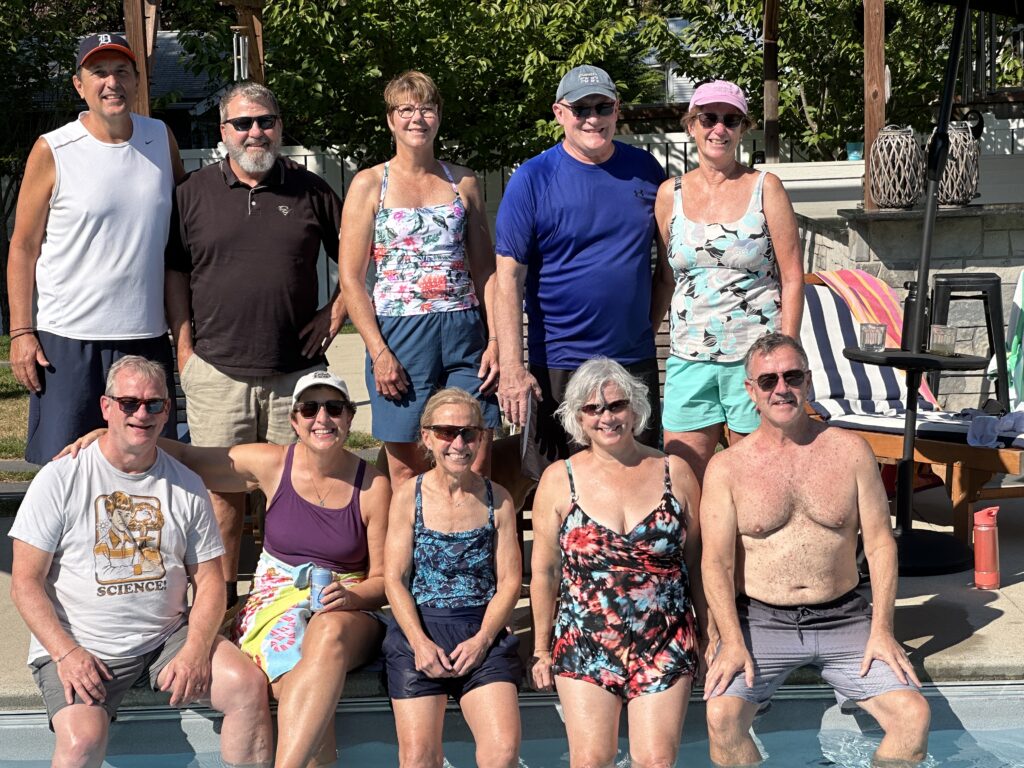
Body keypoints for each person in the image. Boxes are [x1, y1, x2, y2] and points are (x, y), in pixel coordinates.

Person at [59, 369, 391, 768]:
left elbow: (385, 581)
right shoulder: (273, 463)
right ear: (294, 420)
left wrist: (352, 596)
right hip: (275, 600)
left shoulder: (372, 486)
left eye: (334, 408)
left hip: (345, 606)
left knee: (328, 629)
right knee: (294, 684)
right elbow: (186, 456)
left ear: (350, 417)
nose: (322, 418)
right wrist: (108, 435)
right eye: (309, 408)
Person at [9, 356, 272, 768]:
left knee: (248, 688)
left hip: (165, 639)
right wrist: (66, 653)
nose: (141, 413)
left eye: (153, 404)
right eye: (128, 403)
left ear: (168, 410)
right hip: (81, 641)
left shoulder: (186, 485)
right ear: (106, 407)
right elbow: (25, 581)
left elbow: (210, 583)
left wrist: (196, 650)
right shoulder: (61, 477)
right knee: (81, 743)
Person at [701, 333, 930, 766]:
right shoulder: (727, 467)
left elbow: (881, 544)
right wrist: (729, 639)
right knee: (721, 717)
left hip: (845, 615)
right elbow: (715, 561)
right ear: (751, 391)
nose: (780, 388)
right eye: (767, 380)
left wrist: (882, 628)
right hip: (762, 618)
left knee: (913, 717)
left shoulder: (851, 452)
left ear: (807, 381)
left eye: (791, 376)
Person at [165, 80, 346, 607]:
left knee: (293, 496)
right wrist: (183, 347)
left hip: (295, 372)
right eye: (242, 123)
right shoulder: (192, 194)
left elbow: (363, 261)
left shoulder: (311, 191)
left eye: (265, 121)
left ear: (279, 126)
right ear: (223, 132)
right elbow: (174, 274)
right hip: (217, 370)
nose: (255, 132)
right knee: (221, 497)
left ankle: (279, 606)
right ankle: (218, 606)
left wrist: (335, 314)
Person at [7, 32, 185, 465]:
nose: (112, 82)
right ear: (78, 84)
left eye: (122, 71)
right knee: (65, 466)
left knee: (146, 464)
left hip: (145, 335)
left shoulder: (160, 138)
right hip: (68, 338)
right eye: (99, 72)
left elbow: (181, 236)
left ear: (138, 81)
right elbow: (24, 247)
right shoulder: (54, 149)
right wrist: (21, 332)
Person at [494, 65, 667, 479]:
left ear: (616, 109)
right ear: (559, 113)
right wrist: (513, 368)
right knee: (560, 482)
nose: (593, 117)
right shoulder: (532, 178)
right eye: (581, 108)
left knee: (639, 476)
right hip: (559, 360)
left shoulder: (646, 171)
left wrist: (645, 328)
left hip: (631, 361)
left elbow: (668, 269)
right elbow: (506, 282)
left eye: (602, 106)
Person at [530, 358, 705, 768]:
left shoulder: (674, 472)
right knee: (592, 759)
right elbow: (544, 571)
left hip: (665, 637)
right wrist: (540, 648)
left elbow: (699, 564)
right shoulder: (559, 479)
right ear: (577, 417)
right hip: (585, 639)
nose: (606, 417)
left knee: (656, 760)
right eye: (593, 409)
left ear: (635, 408)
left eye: (616, 405)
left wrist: (713, 636)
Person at [339, 70, 500, 489]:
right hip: (400, 334)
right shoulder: (369, 184)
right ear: (391, 119)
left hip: (464, 329)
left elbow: (485, 270)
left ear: (439, 116)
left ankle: (473, 550)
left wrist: (497, 340)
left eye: (426, 108)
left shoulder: (462, 181)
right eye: (406, 109)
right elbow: (352, 278)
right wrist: (378, 352)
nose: (417, 118)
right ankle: (409, 554)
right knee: (407, 468)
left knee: (474, 458)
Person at [653, 79, 803, 483]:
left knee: (761, 479)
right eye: (709, 118)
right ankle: (698, 550)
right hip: (689, 361)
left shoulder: (765, 188)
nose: (719, 128)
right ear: (691, 125)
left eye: (730, 120)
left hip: (755, 362)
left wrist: (786, 358)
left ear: (742, 128)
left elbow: (792, 277)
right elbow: (667, 278)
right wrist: (645, 337)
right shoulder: (670, 194)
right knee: (685, 484)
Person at [383, 388, 522, 768]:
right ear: (427, 436)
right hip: (421, 630)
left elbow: (510, 581)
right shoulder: (408, 496)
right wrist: (420, 643)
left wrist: (482, 640)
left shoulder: (500, 500)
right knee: (418, 759)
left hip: (481, 630)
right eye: (446, 432)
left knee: (503, 754)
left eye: (469, 433)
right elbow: (394, 579)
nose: (458, 443)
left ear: (481, 438)